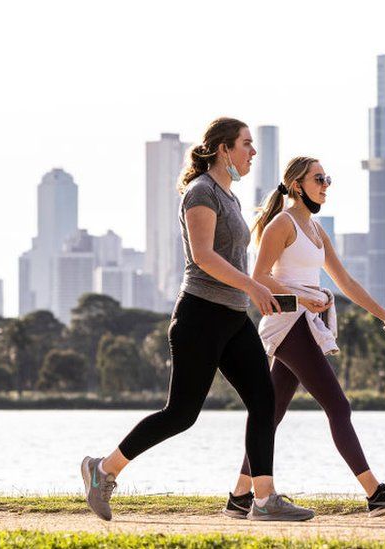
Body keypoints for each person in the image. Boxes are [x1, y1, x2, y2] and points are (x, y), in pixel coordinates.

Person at [81, 118, 314, 522]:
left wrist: (266, 291)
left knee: (264, 400)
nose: (252, 153)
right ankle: (103, 470)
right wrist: (255, 288)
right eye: (246, 144)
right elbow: (204, 257)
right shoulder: (201, 192)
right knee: (181, 414)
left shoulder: (229, 196)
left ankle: (263, 498)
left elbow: (236, 258)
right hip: (200, 315)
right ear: (223, 149)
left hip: (232, 316)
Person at [222, 156, 385, 519]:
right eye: (319, 179)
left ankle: (239, 496)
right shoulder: (282, 224)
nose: (326, 185)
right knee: (338, 406)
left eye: (327, 179)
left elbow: (346, 282)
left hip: (306, 322)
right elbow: (259, 276)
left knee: (272, 413)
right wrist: (301, 297)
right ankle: (376, 494)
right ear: (297, 186)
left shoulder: (314, 229)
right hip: (289, 323)